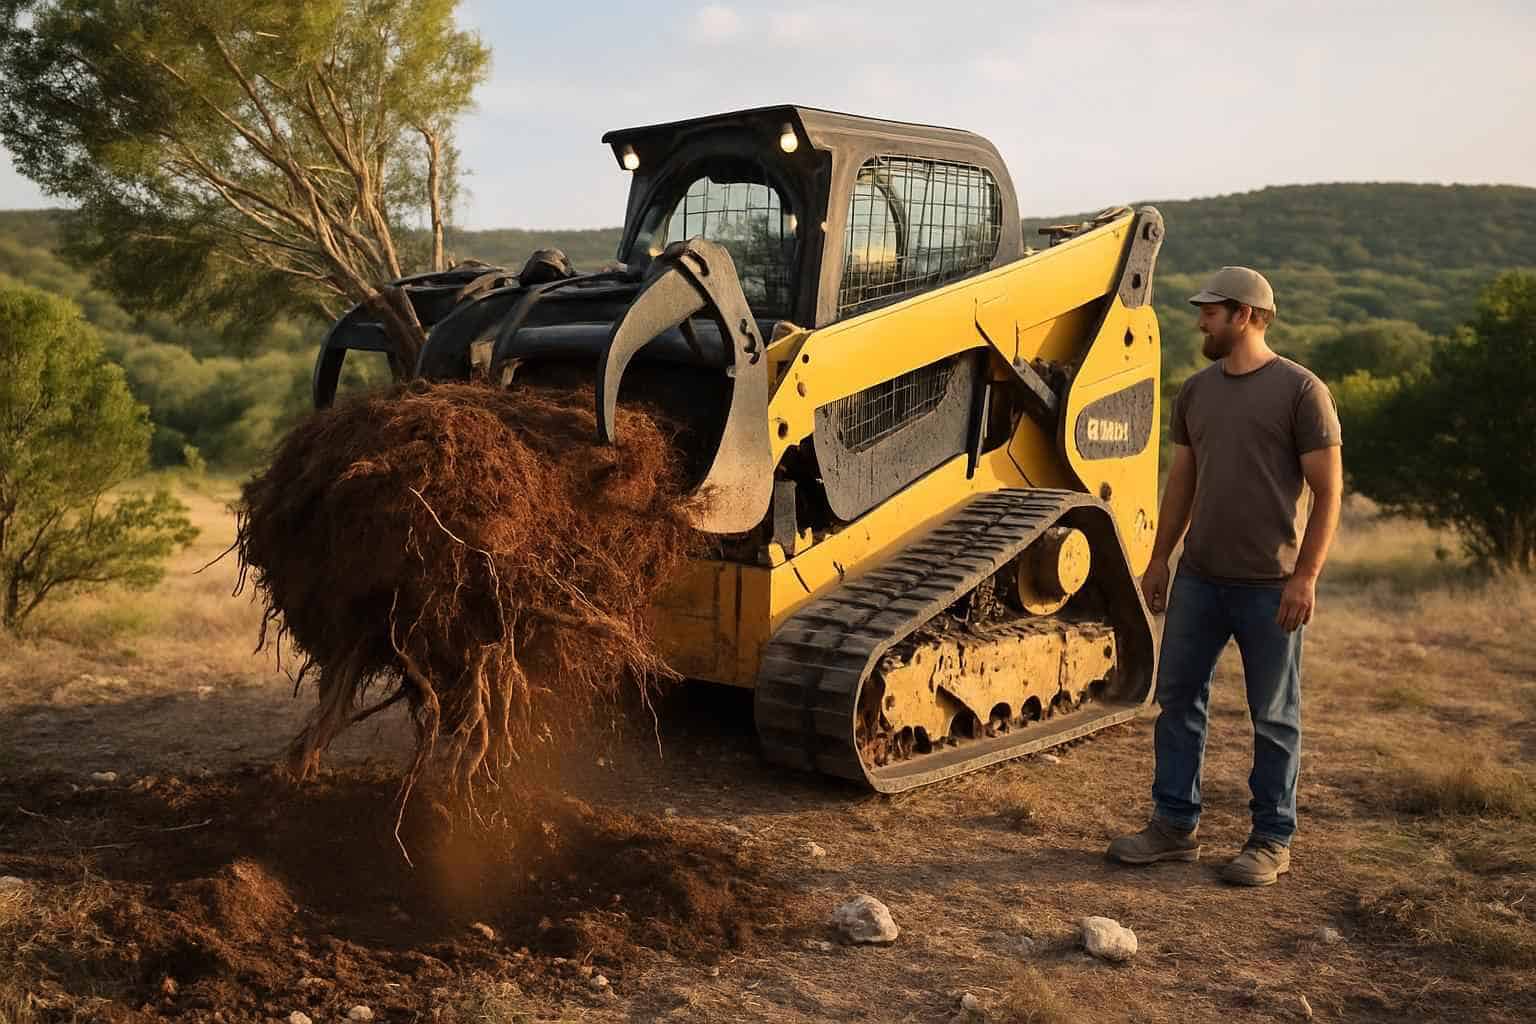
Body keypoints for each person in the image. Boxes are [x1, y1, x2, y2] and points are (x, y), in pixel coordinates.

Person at [1107, 266, 1343, 886]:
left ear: (1244, 315)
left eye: (1210, 313)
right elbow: (1181, 482)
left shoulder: (1302, 391)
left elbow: (1328, 492)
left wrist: (1306, 577)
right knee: (1178, 701)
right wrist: (1160, 558)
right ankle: (1173, 827)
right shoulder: (1196, 391)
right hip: (1199, 579)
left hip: (1271, 586)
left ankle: (1270, 838)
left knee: (1274, 715)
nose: (1201, 324)